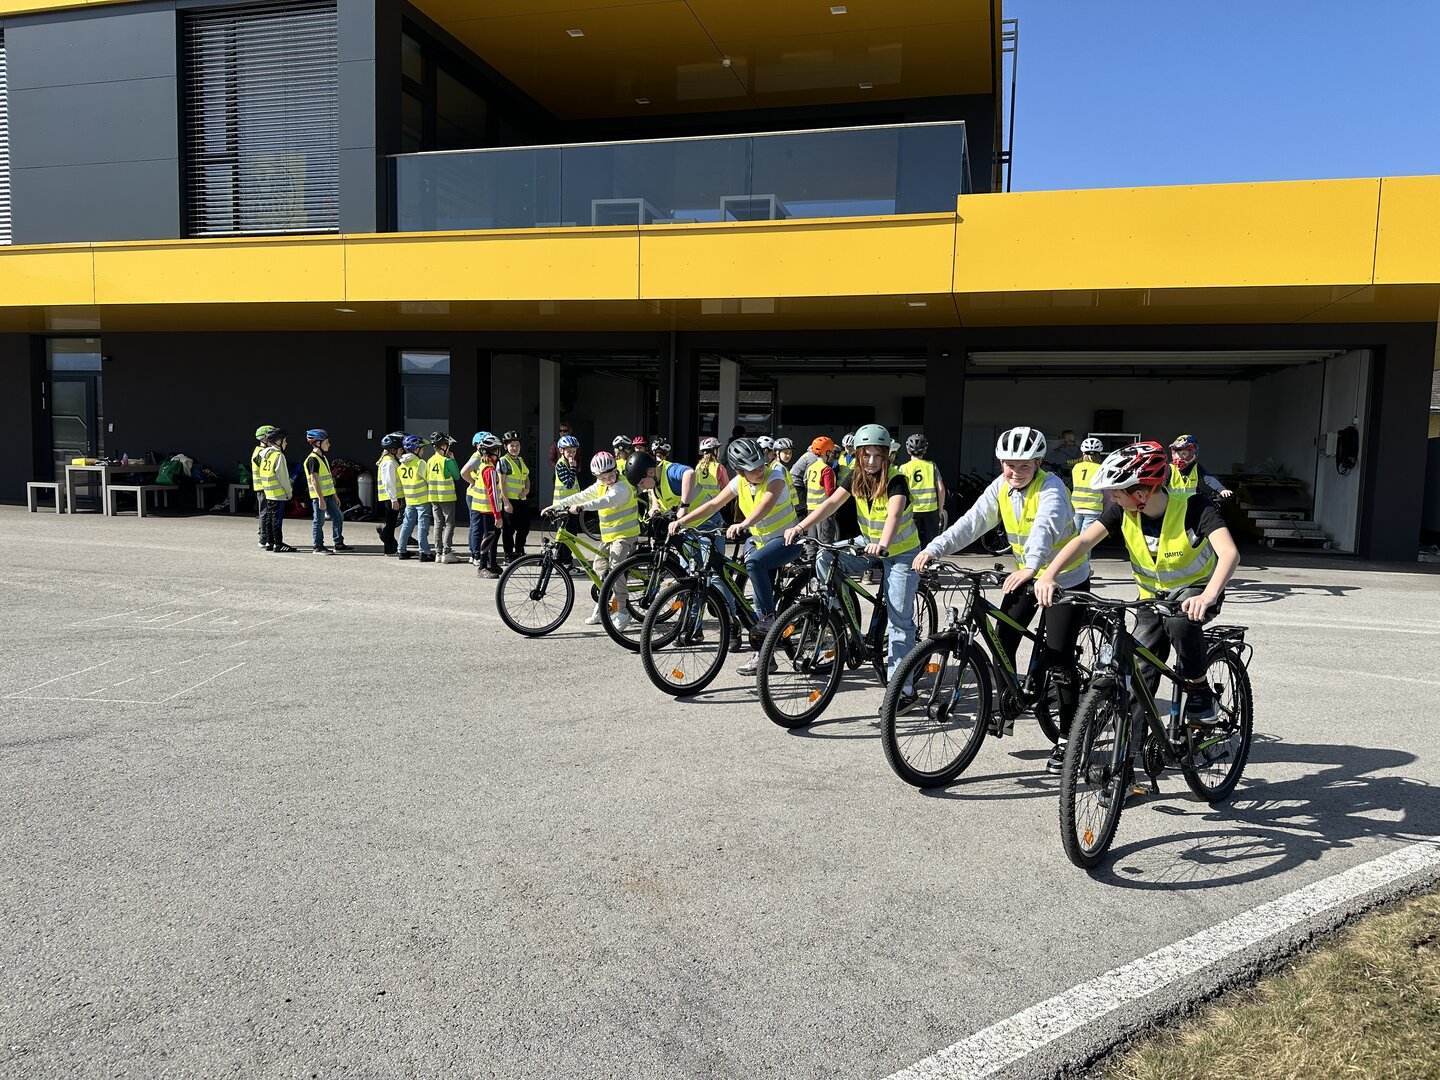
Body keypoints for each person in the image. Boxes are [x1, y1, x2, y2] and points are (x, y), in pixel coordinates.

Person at [1035, 441, 1241, 769]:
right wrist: (1049, 575)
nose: (1111, 498)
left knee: (1179, 623)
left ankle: (1200, 690)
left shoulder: (1195, 506)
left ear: (1142, 493)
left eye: (1116, 492)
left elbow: (1229, 553)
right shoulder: (1122, 511)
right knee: (1137, 676)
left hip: (1195, 594)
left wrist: (1208, 595)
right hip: (1151, 599)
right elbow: (1084, 540)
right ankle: (1127, 766)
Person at [913, 425, 1091, 772]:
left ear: (1038, 464)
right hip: (1028, 573)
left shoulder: (1052, 488)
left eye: (1024, 466)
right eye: (1009, 465)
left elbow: (1044, 528)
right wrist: (934, 548)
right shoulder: (1001, 487)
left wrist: (1034, 567)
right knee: (1001, 639)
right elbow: (971, 523)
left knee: (1059, 658)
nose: (1015, 472)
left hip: (1065, 578)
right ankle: (1008, 704)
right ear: (1000, 463)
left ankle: (1068, 738)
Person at [786, 423, 920, 695]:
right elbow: (830, 504)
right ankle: (842, 617)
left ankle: (902, 689)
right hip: (867, 544)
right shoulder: (855, 476)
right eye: (866, 455)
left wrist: (883, 544)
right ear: (858, 454)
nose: (871, 461)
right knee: (825, 556)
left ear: (887, 456)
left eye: (878, 455)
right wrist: (800, 527)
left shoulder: (896, 480)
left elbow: (894, 516)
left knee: (899, 622)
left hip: (900, 552)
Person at [670, 437, 804, 675]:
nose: (759, 470)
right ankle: (765, 655)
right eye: (752, 469)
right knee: (747, 592)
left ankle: (769, 619)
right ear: (739, 471)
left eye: (761, 464)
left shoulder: (775, 477)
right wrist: (683, 521)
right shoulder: (739, 482)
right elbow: (713, 505)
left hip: (788, 540)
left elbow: (766, 505)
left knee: (754, 563)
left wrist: (744, 524)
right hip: (761, 542)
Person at [544, 451, 641, 625]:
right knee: (599, 568)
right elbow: (583, 495)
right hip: (609, 536)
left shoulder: (622, 487)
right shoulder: (600, 485)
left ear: (616, 470)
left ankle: (622, 611)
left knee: (615, 568)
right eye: (603, 478)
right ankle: (605, 606)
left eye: (611, 475)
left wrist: (582, 507)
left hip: (625, 535)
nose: (608, 480)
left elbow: (605, 501)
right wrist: (557, 505)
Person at [462, 432, 506, 576]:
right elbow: (492, 493)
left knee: (493, 536)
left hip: (485, 507)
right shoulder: (490, 470)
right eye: (497, 449)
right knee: (489, 536)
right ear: (494, 451)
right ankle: (483, 567)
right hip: (488, 509)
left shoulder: (484, 464)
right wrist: (497, 515)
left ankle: (492, 563)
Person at [304, 428, 351, 554]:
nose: (329, 444)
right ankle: (318, 546)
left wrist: (335, 495)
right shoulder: (313, 459)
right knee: (319, 521)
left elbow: (328, 479)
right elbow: (314, 480)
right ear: (318, 443)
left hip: (329, 495)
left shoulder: (323, 458)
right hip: (320, 497)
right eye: (326, 442)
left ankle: (338, 543)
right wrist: (320, 499)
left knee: (338, 517)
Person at [902, 434, 946, 547]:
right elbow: (941, 489)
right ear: (925, 450)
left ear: (908, 451)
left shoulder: (903, 468)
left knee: (912, 542)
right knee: (931, 544)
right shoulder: (932, 466)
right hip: (930, 510)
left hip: (912, 511)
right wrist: (940, 509)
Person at [256, 428, 296, 553]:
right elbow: (283, 477)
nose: (286, 443)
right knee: (277, 520)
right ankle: (278, 544)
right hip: (278, 494)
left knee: (269, 518)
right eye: (285, 440)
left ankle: (269, 542)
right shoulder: (279, 456)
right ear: (278, 442)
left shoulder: (265, 454)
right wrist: (289, 492)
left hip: (268, 492)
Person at [395, 434, 434, 562]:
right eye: (422, 448)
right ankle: (424, 552)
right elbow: (429, 480)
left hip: (409, 500)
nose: (423, 451)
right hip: (422, 500)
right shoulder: (420, 463)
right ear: (416, 449)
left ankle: (401, 550)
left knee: (407, 525)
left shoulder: (401, 466)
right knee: (423, 526)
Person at [426, 432, 462, 564]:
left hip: (433, 496)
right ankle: (446, 552)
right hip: (447, 496)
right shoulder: (446, 461)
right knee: (449, 523)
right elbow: (457, 476)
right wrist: (453, 459)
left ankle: (438, 552)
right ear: (444, 446)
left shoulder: (430, 460)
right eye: (448, 446)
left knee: (437, 524)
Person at [1169, 435, 1233, 500]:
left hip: (1191, 503)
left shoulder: (1196, 467)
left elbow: (1209, 479)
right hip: (1173, 504)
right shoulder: (1169, 468)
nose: (1180, 457)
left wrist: (1222, 490)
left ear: (1193, 453)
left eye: (1184, 453)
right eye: (1178, 453)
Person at [803, 437, 839, 544]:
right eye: (831, 452)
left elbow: (806, 483)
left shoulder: (811, 468)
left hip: (811, 508)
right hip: (823, 510)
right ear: (827, 452)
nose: (832, 454)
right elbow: (830, 492)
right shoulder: (826, 470)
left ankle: (811, 555)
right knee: (825, 541)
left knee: (812, 540)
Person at [375, 431, 404, 555]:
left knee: (391, 523)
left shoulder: (391, 460)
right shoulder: (389, 462)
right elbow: (389, 482)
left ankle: (391, 547)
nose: (402, 451)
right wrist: (394, 499)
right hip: (391, 498)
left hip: (391, 497)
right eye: (400, 449)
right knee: (391, 523)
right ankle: (389, 546)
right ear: (393, 450)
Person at [1071, 435, 1106, 535]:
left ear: (1083, 453)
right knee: (1086, 540)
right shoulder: (1101, 469)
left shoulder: (1076, 467)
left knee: (1073, 538)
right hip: (1094, 508)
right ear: (1099, 454)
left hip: (1076, 507)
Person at [250, 425, 277, 548]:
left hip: (263, 486)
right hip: (263, 486)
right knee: (265, 513)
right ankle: (263, 538)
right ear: (264, 438)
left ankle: (265, 537)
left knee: (266, 512)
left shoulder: (260, 451)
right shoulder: (261, 453)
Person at [552, 434, 583, 534]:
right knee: (565, 534)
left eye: (574, 451)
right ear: (561, 450)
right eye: (569, 451)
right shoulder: (561, 464)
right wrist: (573, 468)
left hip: (571, 504)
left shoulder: (569, 463)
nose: (572, 454)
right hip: (562, 506)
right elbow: (569, 484)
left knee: (572, 533)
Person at [694, 437, 728, 506]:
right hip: (714, 503)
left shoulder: (698, 467)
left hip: (699, 502)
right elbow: (726, 487)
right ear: (715, 451)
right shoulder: (719, 467)